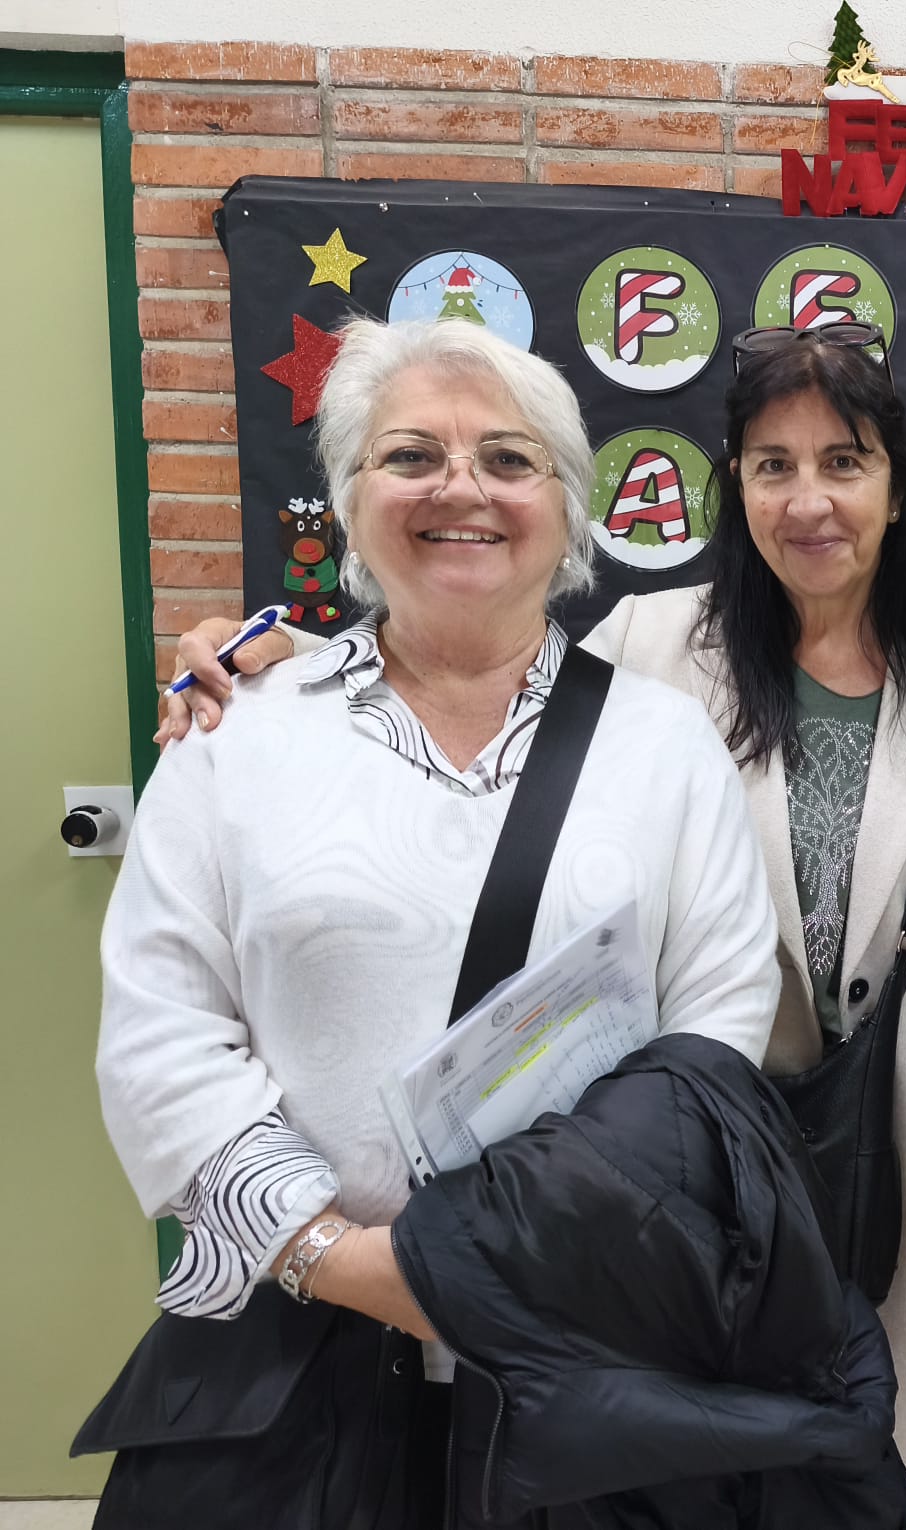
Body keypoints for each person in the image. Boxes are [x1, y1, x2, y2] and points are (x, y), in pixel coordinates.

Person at [156, 321, 906, 1530]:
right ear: (736, 487)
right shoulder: (651, 650)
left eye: (845, 463)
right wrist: (297, 669)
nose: (808, 501)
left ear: (899, 489)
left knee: (863, 1446)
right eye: (773, 466)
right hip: (661, 1175)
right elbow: (472, 695)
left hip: (889, 1136)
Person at [93, 317, 784, 1524]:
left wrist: (527, 1255)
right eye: (410, 455)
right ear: (350, 501)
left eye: (509, 459)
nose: (461, 488)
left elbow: (715, 1032)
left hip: (580, 1355)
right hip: (291, 1359)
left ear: (567, 508)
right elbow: (163, 1036)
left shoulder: (665, 746)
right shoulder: (239, 735)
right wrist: (342, 1259)